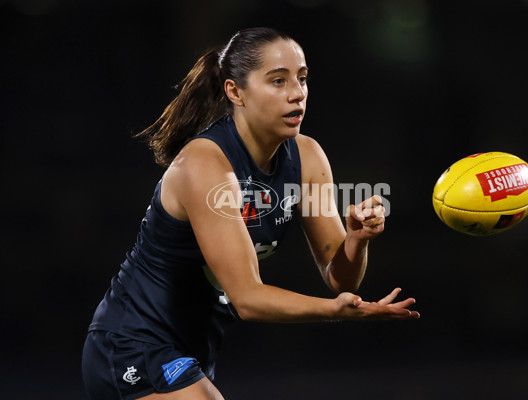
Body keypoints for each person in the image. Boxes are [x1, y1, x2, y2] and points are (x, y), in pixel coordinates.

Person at [81, 27, 420, 400]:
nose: (297, 93)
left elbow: (341, 280)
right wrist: (335, 311)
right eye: (278, 81)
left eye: (302, 78)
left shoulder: (307, 157)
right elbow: (247, 298)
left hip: (191, 351)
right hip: (132, 341)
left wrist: (356, 240)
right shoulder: (204, 164)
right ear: (235, 92)